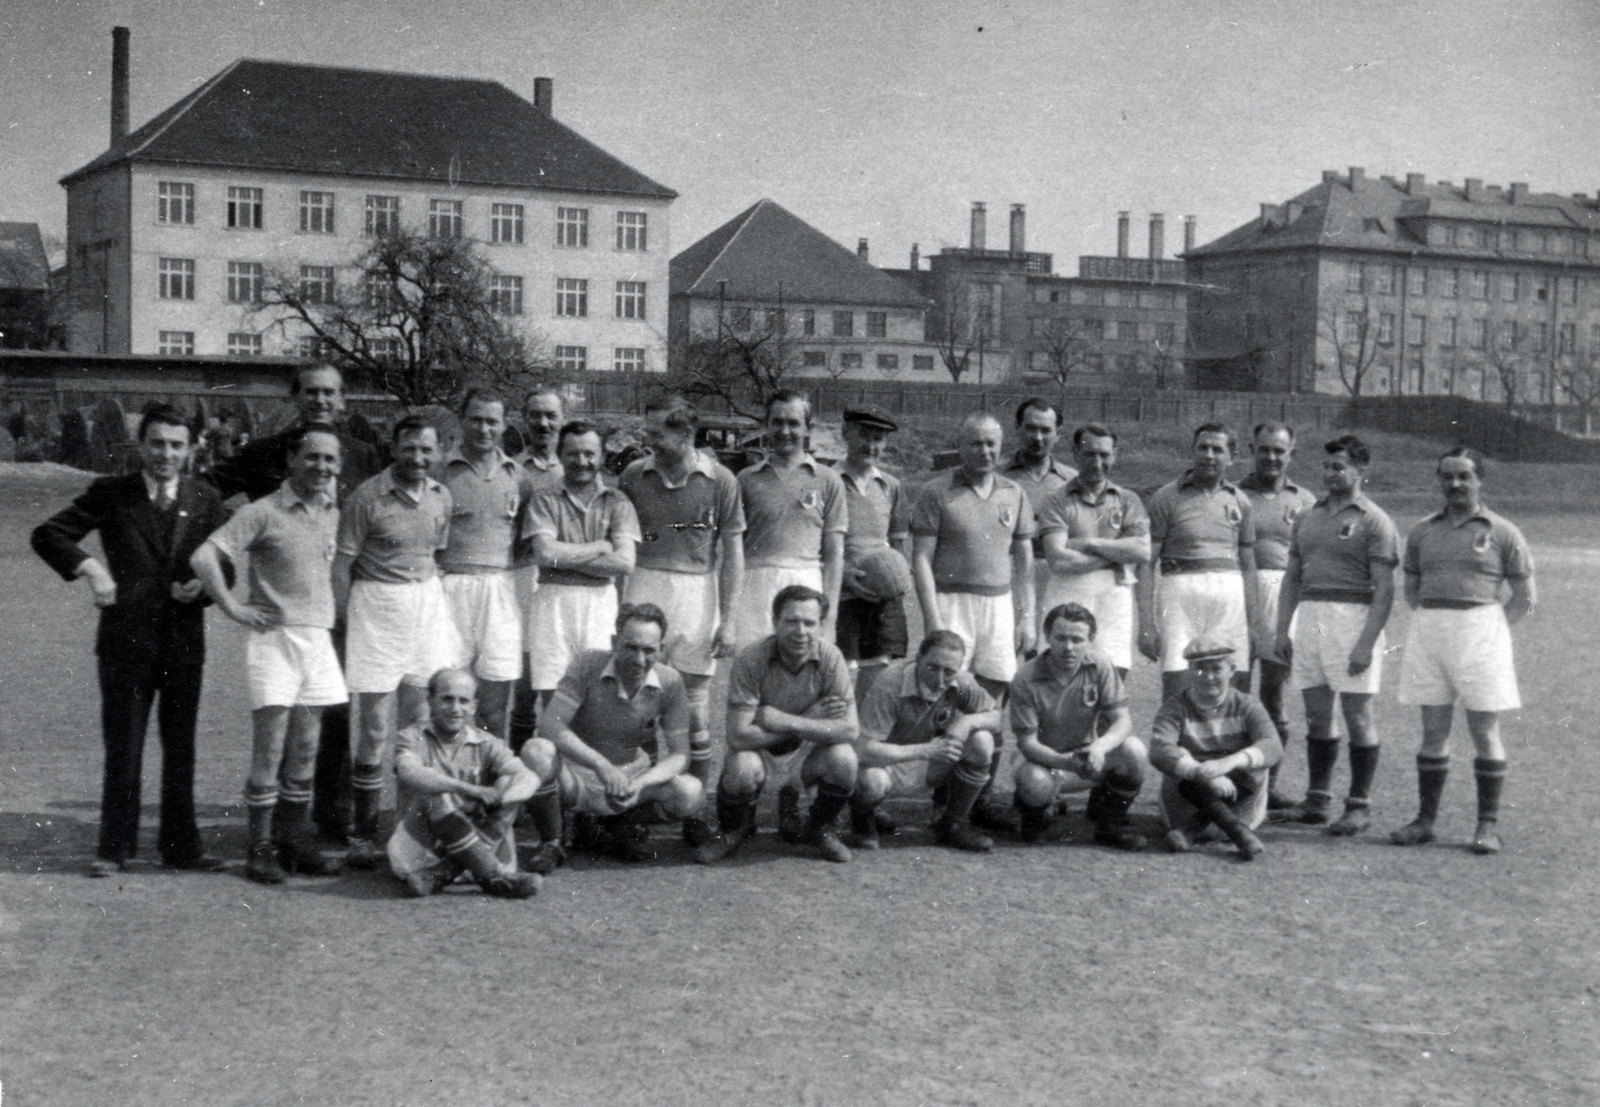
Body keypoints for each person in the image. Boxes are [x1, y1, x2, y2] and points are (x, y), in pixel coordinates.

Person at [32, 404, 230, 876]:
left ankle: (181, 847)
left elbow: (227, 562)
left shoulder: (205, 498)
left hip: (183, 643)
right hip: (126, 643)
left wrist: (203, 586)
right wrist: (92, 569)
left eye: (176, 445)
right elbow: (48, 534)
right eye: (157, 443)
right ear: (141, 445)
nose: (166, 453)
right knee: (125, 747)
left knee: (180, 748)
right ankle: (114, 848)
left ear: (190, 449)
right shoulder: (112, 493)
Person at [208, 363, 383, 844]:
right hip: (283, 609)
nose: (321, 401)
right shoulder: (264, 452)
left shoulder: (366, 455)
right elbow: (203, 493)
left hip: (344, 603)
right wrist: (242, 532)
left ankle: (335, 816)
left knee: (333, 713)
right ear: (296, 398)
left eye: (330, 393)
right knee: (286, 721)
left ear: (343, 399)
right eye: (311, 392)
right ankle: (288, 832)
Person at [190, 426, 347, 883]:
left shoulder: (334, 512)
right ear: (291, 461)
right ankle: (260, 846)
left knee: (305, 748)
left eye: (329, 460)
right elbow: (205, 556)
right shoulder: (263, 510)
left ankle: (293, 840)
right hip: (274, 641)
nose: (321, 467)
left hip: (318, 639)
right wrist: (234, 607)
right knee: (271, 748)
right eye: (312, 458)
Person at [333, 413, 466, 868]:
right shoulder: (366, 496)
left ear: (438, 452)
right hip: (376, 607)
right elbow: (342, 566)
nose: (418, 457)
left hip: (425, 605)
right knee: (373, 727)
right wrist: (343, 620)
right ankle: (364, 832)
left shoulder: (441, 496)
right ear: (394, 448)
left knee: (419, 723)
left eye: (427, 450)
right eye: (410, 448)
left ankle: (411, 822)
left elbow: (437, 555)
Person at [1391, 447, 1535, 855]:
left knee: (1484, 731)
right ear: (1439, 480)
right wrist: (1440, 620)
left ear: (1479, 480)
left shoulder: (1502, 531)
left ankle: (1486, 826)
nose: (1455, 484)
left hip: (1483, 630)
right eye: (1447, 476)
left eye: (1464, 477)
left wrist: (1488, 630)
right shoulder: (1421, 531)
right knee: (1433, 731)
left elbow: (1525, 597)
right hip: (1431, 629)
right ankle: (1425, 821)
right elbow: (1412, 588)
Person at [619, 396, 745, 811]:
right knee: (638, 702)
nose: (649, 440)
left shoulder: (721, 478)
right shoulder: (634, 475)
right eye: (649, 431)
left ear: (687, 434)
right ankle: (642, 801)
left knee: (694, 710)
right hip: (644, 586)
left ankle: (695, 807)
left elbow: (733, 554)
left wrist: (728, 622)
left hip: (697, 591)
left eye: (658, 433)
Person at [910, 411, 1036, 829]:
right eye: (975, 443)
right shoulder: (936, 491)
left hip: (997, 606)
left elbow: (1023, 563)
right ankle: (943, 794)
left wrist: (1026, 617)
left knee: (992, 701)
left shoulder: (1014, 492)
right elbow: (921, 561)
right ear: (960, 446)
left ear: (1001, 447)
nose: (983, 451)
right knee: (948, 696)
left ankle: (979, 798)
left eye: (990, 444)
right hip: (951, 604)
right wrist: (933, 622)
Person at [1272, 435, 1398, 835]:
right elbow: (1293, 576)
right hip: (1311, 616)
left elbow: (1385, 590)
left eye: (1339, 466)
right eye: (1327, 466)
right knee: (1317, 714)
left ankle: (1358, 805)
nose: (1331, 473)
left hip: (1353, 618)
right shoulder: (1309, 515)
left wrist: (1365, 641)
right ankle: (1317, 801)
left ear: (1361, 471)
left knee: (1358, 715)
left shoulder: (1374, 520)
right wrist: (1282, 629)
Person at [519, 604, 703, 863]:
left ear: (661, 649)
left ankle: (624, 825)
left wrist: (641, 783)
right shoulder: (587, 663)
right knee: (536, 750)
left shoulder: (670, 681)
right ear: (615, 642)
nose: (640, 659)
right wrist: (601, 765)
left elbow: (680, 754)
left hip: (631, 780)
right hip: (578, 777)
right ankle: (553, 841)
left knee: (690, 791)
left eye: (649, 650)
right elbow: (550, 725)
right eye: (631, 647)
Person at [695, 585, 859, 864]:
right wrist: (810, 720)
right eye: (791, 621)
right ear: (775, 622)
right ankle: (734, 830)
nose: (800, 631)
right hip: (762, 755)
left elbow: (850, 730)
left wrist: (785, 720)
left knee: (844, 758)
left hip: (805, 755)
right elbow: (737, 737)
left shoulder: (831, 658)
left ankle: (819, 829)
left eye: (809, 623)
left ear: (821, 625)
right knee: (741, 765)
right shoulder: (751, 658)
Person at [386, 669, 542, 899]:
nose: (455, 708)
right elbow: (410, 772)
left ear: (474, 706)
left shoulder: (487, 742)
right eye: (447, 699)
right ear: (430, 701)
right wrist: (472, 790)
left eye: (463, 701)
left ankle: (442, 873)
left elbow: (529, 777)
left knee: (510, 782)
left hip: (474, 848)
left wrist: (499, 798)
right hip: (420, 852)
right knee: (436, 792)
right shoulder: (412, 737)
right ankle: (494, 878)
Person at [849, 629, 1003, 853]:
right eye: (933, 667)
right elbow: (864, 750)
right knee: (872, 781)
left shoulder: (960, 682)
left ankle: (951, 824)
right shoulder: (891, 682)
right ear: (918, 659)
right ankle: (863, 821)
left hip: (928, 760)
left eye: (949, 671)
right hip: (885, 764)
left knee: (982, 741)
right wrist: (926, 750)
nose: (940, 678)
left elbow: (997, 717)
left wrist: (966, 723)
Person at [437, 390, 535, 742]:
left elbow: (527, 543)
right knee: (450, 698)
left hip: (499, 589)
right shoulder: (439, 470)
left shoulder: (519, 476)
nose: (483, 428)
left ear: (504, 425)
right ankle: (451, 786)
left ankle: (487, 789)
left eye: (492, 421)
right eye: (475, 419)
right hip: (451, 589)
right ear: (462, 420)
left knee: (494, 705)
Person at [1138, 422, 1261, 701]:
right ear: (1192, 452)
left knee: (1233, 683)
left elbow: (1249, 567)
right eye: (1202, 448)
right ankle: (1176, 744)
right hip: (1179, 594)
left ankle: (1230, 745)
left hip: (1229, 595)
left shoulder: (1240, 501)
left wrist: (1254, 625)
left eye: (1217, 449)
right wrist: (1146, 624)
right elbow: (1145, 564)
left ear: (1231, 457)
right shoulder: (1166, 497)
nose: (1209, 455)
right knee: (1177, 680)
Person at [1010, 603, 1148, 850]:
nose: (1068, 647)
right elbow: (1027, 743)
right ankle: (1035, 816)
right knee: (1033, 781)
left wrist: (1098, 748)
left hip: (1087, 759)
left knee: (1134, 751)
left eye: (1077, 639)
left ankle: (1109, 826)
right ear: (1047, 636)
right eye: (1061, 638)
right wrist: (1065, 762)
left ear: (1091, 639)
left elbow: (1122, 720)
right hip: (1044, 762)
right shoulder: (1025, 677)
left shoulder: (1101, 665)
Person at [1235, 422, 1317, 808]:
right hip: (1237, 592)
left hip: (1282, 597)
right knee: (1233, 693)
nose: (1271, 457)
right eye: (1264, 449)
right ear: (1252, 449)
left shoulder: (1306, 501)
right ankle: (1230, 783)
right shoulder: (1234, 493)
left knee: (1275, 695)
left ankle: (1268, 786)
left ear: (1291, 455)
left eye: (1278, 451)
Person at [1149, 637, 1283, 860]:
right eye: (1200, 668)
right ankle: (1239, 833)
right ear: (1189, 671)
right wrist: (1202, 774)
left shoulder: (1247, 704)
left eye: (1216, 669)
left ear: (1232, 670)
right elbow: (1159, 750)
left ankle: (1190, 830)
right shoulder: (1175, 707)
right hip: (1188, 794)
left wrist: (1227, 763)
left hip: (1239, 794)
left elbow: (1273, 746)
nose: (1208, 677)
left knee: (1253, 766)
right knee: (1183, 769)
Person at [732, 390, 847, 646]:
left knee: (803, 671)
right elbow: (733, 550)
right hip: (756, 585)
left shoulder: (828, 480)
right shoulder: (746, 479)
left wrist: (830, 616)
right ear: (767, 425)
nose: (785, 431)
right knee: (754, 665)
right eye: (778, 422)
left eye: (793, 423)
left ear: (808, 428)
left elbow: (834, 554)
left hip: (806, 580)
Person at [1035, 423, 1150, 676]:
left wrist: (1089, 543)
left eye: (1104, 455)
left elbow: (1141, 551)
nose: (1097, 462)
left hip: (1114, 593)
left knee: (1112, 671)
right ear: (1075, 453)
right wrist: (1116, 554)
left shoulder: (1128, 499)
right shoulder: (1057, 499)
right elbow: (1059, 561)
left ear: (1114, 456)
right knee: (1061, 671)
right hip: (1069, 589)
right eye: (1089, 454)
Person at [835, 407, 912, 704]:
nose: (871, 446)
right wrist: (841, 571)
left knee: (877, 672)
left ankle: (862, 745)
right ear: (845, 434)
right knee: (840, 674)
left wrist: (899, 578)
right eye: (864, 436)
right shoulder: (829, 479)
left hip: (882, 596)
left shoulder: (892, 486)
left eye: (878, 439)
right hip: (843, 592)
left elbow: (897, 544)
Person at [507, 387, 566, 752]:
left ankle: (555, 781)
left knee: (558, 686)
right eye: (535, 415)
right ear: (523, 419)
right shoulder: (511, 469)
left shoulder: (577, 467)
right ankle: (520, 775)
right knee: (525, 684)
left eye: (551, 415)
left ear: (563, 418)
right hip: (522, 578)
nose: (543, 423)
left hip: (563, 585)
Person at [1002, 398, 1078, 635]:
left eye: (1046, 430)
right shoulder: (995, 478)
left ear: (1058, 434)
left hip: (1058, 575)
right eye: (1031, 428)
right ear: (1017, 428)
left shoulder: (1072, 481)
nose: (1038, 437)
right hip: (1009, 574)